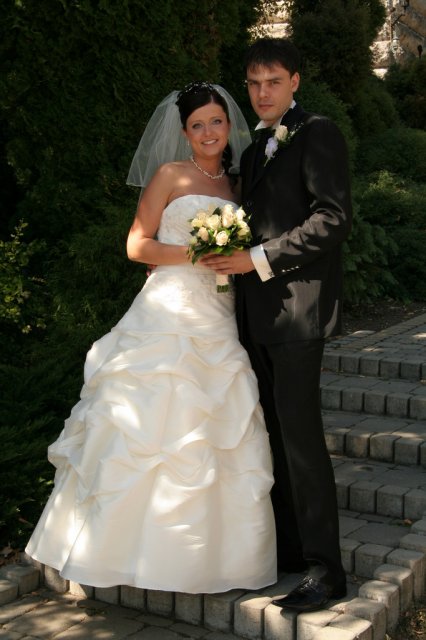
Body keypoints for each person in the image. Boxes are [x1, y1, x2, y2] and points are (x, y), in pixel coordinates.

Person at [25, 81, 277, 594]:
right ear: (184, 133)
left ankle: (207, 560)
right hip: (168, 310)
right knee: (145, 427)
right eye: (197, 125)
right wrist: (196, 254)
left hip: (219, 314)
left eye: (216, 121)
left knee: (217, 423)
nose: (208, 132)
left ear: (229, 125)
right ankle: (110, 551)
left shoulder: (239, 184)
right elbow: (137, 246)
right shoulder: (169, 175)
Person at [201, 38, 352, 611]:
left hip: (297, 310)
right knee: (272, 436)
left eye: (273, 82)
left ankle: (326, 571)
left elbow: (332, 218)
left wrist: (256, 260)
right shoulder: (252, 150)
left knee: (302, 440)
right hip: (255, 316)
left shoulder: (317, 132)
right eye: (254, 83)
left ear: (295, 82)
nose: (262, 93)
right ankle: (289, 550)